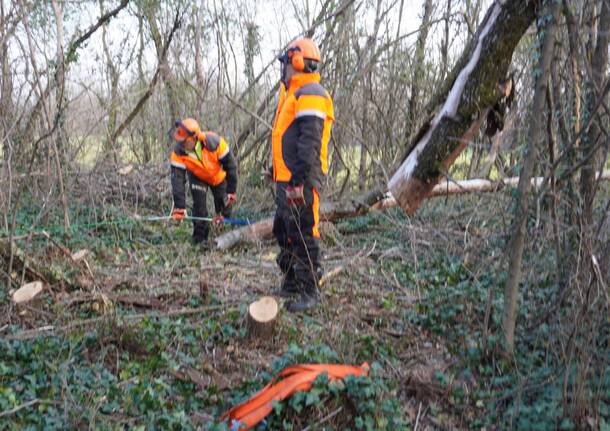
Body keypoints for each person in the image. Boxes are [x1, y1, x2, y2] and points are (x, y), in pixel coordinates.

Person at [270, 37, 334, 312]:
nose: (284, 69)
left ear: (297, 62)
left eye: (286, 63)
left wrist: (299, 182)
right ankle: (292, 281)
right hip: (286, 177)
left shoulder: (311, 92)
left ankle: (310, 291)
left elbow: (309, 141)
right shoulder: (292, 93)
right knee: (283, 230)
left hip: (301, 179)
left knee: (304, 232)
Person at [169, 118, 237, 246]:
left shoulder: (215, 143)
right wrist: (179, 207)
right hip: (197, 178)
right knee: (199, 208)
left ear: (194, 138)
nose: (181, 144)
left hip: (218, 177)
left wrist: (231, 190)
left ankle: (227, 234)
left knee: (224, 205)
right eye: (180, 141)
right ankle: (200, 240)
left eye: (184, 141)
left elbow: (231, 165)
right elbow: (177, 180)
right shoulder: (178, 153)